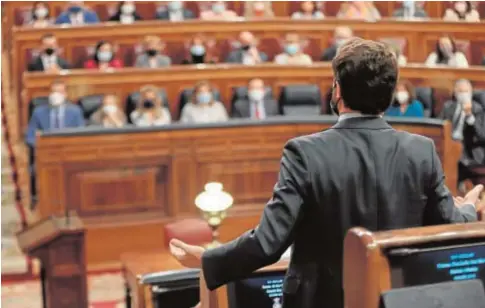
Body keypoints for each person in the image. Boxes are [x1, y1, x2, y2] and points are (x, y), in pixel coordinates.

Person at [169, 38, 483, 308]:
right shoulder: (421, 150)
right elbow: (450, 226)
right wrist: (468, 207)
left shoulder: (304, 152)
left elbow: (268, 242)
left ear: (337, 90)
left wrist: (208, 260)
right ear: (388, 94)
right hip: (396, 298)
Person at [439, 79, 485, 187]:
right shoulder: (448, 107)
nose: (463, 94)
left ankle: (454, 188)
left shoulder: (477, 109)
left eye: (466, 91)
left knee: (455, 156)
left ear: (471, 92)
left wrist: (469, 116)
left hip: (469, 151)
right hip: (448, 146)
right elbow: (438, 127)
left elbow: (481, 135)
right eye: (460, 91)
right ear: (455, 93)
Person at [26, 80, 85, 147]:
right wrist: (41, 146)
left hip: (69, 149)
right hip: (46, 150)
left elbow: (81, 135)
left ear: (65, 94)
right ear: (49, 94)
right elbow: (30, 137)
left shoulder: (75, 111)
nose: (56, 95)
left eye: (60, 92)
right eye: (54, 92)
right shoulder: (38, 112)